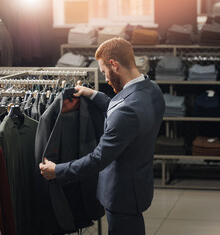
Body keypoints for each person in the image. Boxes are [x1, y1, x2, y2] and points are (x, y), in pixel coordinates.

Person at [39, 38, 165, 235]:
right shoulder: (152, 90)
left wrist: (57, 170)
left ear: (114, 65)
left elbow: (98, 159)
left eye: (104, 71)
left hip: (121, 194)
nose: (105, 78)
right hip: (138, 184)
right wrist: (93, 94)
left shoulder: (127, 111)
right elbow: (129, 120)